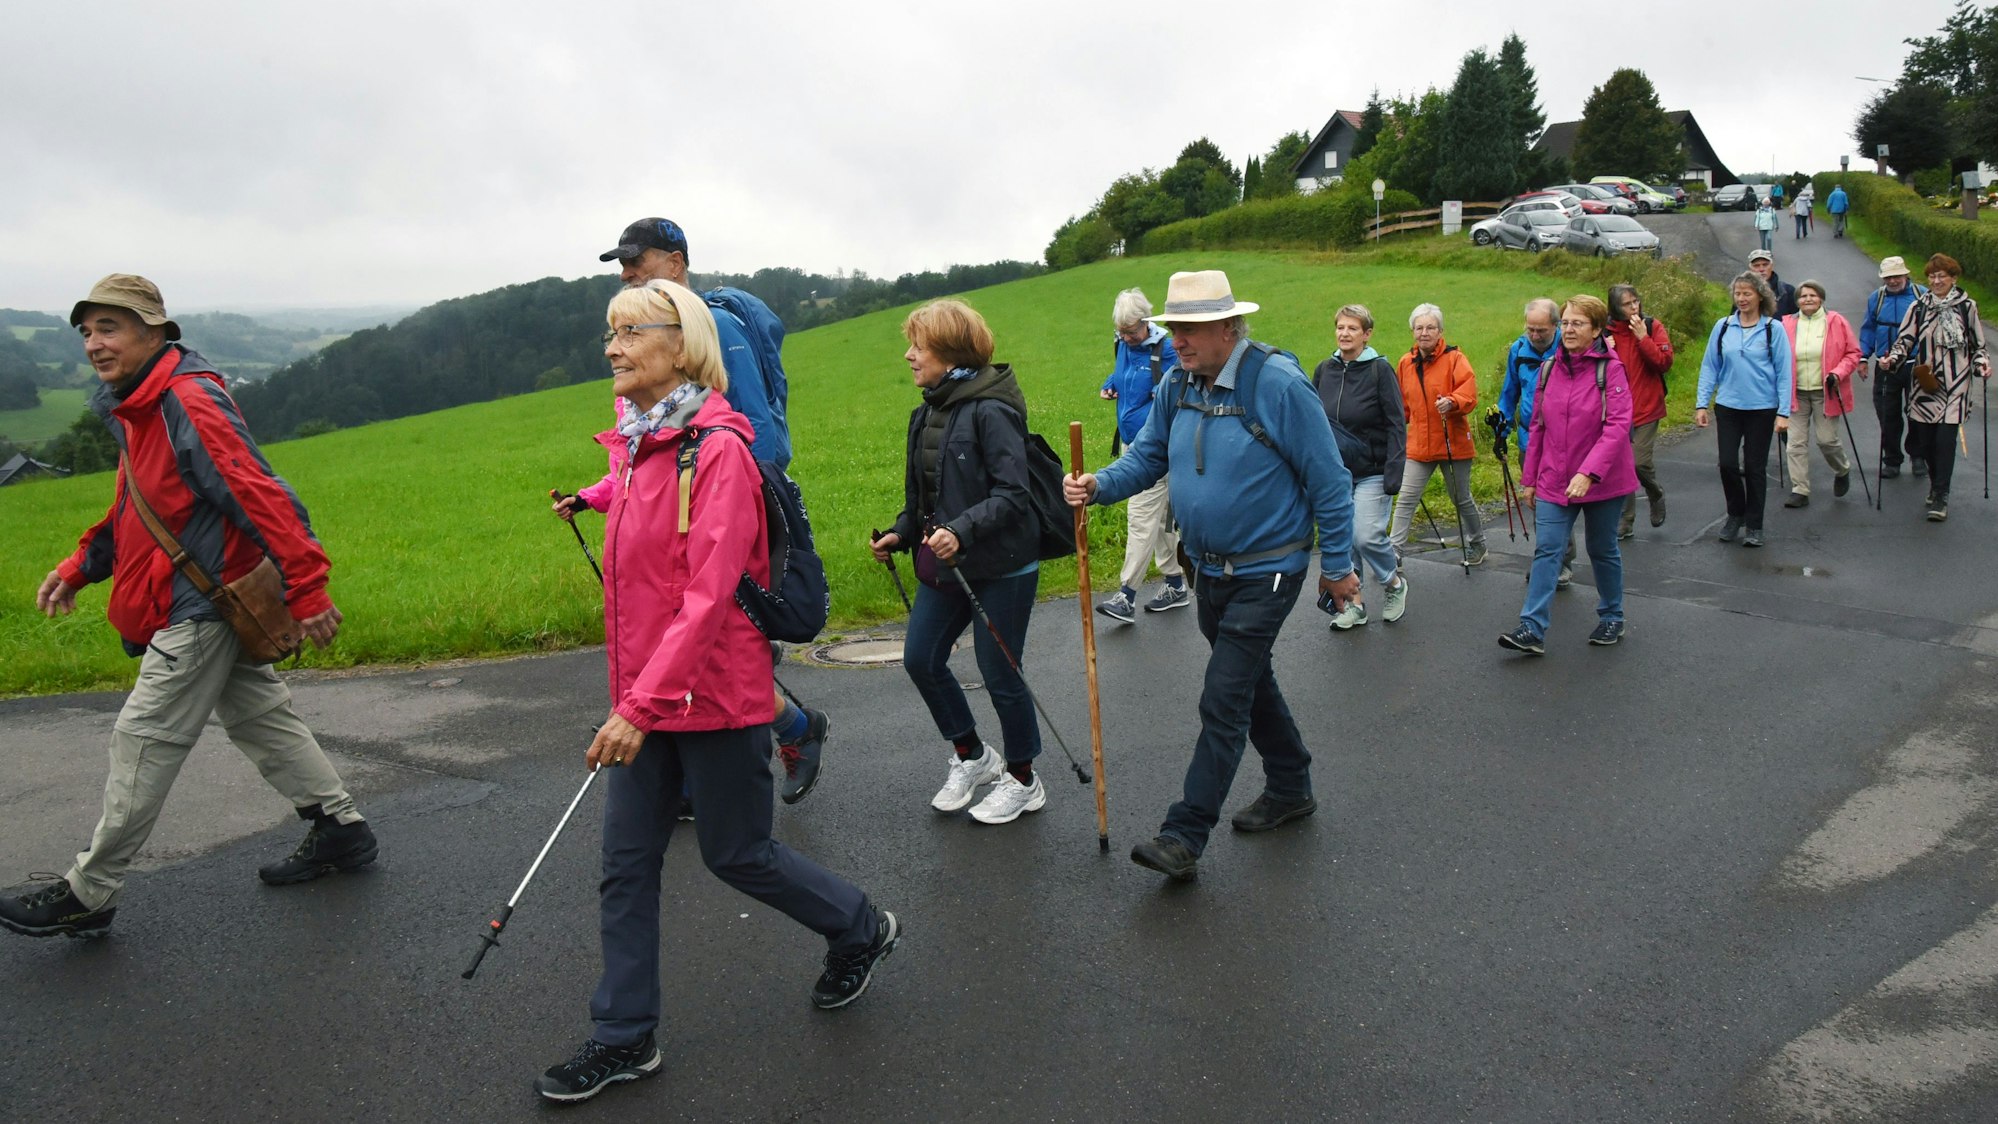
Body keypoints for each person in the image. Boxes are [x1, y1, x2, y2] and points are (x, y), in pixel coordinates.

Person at [538, 279, 897, 1104]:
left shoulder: (719, 452)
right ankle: (623, 1036)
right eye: (610, 333)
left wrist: (636, 706)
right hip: (647, 695)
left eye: (630, 331)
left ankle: (859, 926)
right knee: (624, 866)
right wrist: (589, 502)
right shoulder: (634, 443)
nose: (613, 347)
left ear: (682, 343)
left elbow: (706, 600)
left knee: (737, 855)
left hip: (714, 694)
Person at [4, 274, 377, 941]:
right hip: (203, 598)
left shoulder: (187, 401)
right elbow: (136, 509)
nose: (94, 343)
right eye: (87, 331)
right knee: (262, 718)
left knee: (142, 740)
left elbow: (260, 493)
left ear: (155, 331)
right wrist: (81, 566)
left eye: (110, 327)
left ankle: (89, 891)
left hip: (204, 603)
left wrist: (308, 587)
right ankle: (339, 829)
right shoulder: (141, 407)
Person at [1064, 270, 1357, 882]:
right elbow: (1146, 457)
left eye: (1191, 329)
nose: (1178, 340)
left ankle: (1184, 833)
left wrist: (1337, 567)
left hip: (1269, 570)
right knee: (1250, 681)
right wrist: (1098, 487)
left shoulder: (1275, 383)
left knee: (1222, 698)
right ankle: (1291, 783)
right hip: (1207, 572)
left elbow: (1328, 478)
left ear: (1229, 326)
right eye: (1174, 328)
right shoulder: (1177, 384)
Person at [559, 217, 827, 807]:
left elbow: (747, 432)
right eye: (622, 266)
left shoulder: (709, 330)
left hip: (727, 516)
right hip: (689, 512)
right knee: (694, 641)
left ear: (676, 262)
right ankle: (709, 766)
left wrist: (719, 507)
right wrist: (596, 497)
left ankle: (773, 747)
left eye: (639, 260)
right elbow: (645, 456)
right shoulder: (645, 358)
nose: (628, 272)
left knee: (721, 642)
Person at [870, 300, 1048, 825]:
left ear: (949, 353)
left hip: (1002, 565)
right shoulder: (926, 411)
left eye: (918, 346)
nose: (908, 355)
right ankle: (973, 755)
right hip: (946, 564)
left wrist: (959, 529)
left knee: (1000, 674)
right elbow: (924, 498)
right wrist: (902, 533)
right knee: (921, 659)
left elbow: (1015, 494)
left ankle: (1022, 778)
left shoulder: (992, 410)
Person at [1498, 295, 1636, 655]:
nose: (1569, 330)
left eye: (1578, 323)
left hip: (1604, 480)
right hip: (1555, 478)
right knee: (1547, 550)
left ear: (1596, 330)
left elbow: (1618, 426)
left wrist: (1589, 473)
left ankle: (1612, 616)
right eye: (1565, 323)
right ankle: (1531, 627)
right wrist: (1530, 478)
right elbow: (1538, 425)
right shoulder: (1549, 368)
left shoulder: (1611, 369)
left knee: (1601, 548)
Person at [1312, 303, 1408, 629]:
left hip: (1374, 470)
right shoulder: (1325, 370)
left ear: (1366, 335)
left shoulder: (1379, 371)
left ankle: (1394, 583)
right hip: (1337, 473)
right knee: (1344, 539)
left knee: (1365, 535)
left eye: (1352, 328)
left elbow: (1397, 423)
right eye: (1340, 327)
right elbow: (1312, 420)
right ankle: (1355, 604)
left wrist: (1395, 470)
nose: (1344, 333)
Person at [1094, 287, 1187, 622]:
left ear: (1146, 323)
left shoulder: (1167, 350)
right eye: (1121, 331)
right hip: (1130, 444)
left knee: (1140, 515)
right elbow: (1124, 374)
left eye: (1132, 331)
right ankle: (1176, 584)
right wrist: (1112, 383)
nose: (1127, 337)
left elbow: (1169, 396)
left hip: (1155, 450)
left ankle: (1126, 594)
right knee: (1160, 521)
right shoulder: (1122, 344)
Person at [1879, 254, 1992, 522]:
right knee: (1926, 443)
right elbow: (1904, 340)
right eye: (1932, 276)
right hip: (1925, 385)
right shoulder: (1919, 307)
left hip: (1957, 385)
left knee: (1945, 442)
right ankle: (1934, 483)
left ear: (1954, 278)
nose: (1936, 280)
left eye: (1942, 276)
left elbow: (1978, 347)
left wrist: (1982, 365)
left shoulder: (1967, 307)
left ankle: (1941, 496)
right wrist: (1891, 360)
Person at [1696, 272, 1794, 548]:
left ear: (1760, 296)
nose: (1741, 298)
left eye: (1747, 293)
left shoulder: (1772, 329)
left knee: (1754, 467)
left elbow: (1784, 372)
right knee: (1727, 463)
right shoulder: (1723, 327)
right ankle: (1735, 513)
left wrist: (1783, 412)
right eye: (1738, 293)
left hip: (1762, 408)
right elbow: (1709, 366)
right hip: (1728, 406)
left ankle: (1754, 524)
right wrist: (1702, 403)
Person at [1389, 304, 1486, 566]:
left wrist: (1452, 402)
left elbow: (1469, 394)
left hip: (1452, 441)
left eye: (1430, 327)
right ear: (1412, 331)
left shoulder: (1455, 359)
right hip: (1419, 445)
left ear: (1440, 331)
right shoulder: (1405, 362)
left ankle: (1477, 542)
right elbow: (1402, 406)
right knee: (1406, 497)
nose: (1424, 332)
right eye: (1419, 327)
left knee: (1460, 498)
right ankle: (1393, 552)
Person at [1496, 298, 1575, 584]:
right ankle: (1552, 560)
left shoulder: (1570, 349)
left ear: (1556, 325)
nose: (1535, 335)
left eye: (1541, 330)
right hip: (1530, 440)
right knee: (1539, 503)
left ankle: (1559, 562)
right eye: (1530, 329)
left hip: (1564, 441)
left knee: (1558, 503)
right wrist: (1500, 433)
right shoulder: (1518, 350)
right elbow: (1508, 394)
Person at [1780, 281, 1861, 507]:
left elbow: (1853, 353)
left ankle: (1842, 469)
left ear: (1821, 298)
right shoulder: (1786, 324)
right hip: (1795, 393)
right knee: (1795, 444)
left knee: (1827, 441)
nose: (1807, 299)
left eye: (1813, 295)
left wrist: (1838, 372)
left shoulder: (1835, 321)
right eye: (1803, 296)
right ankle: (1800, 489)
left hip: (1826, 392)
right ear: (1797, 301)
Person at [1605, 285, 1674, 537]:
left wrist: (1643, 338)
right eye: (1627, 304)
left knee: (1638, 463)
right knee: (1620, 466)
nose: (1634, 307)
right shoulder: (1604, 333)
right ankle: (1626, 521)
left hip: (1646, 407)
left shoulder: (1652, 326)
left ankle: (1655, 492)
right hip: (1615, 410)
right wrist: (1604, 348)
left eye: (1636, 301)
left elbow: (1664, 363)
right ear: (1615, 308)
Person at [1860, 256, 1928, 478]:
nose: (1893, 281)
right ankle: (1891, 459)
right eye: (1888, 277)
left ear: (1906, 275)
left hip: (1917, 365)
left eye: (1897, 276)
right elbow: (1868, 329)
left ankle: (1918, 456)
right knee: (1887, 414)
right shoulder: (1876, 298)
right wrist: (1863, 357)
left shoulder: (1922, 295)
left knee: (1918, 413)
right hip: (1886, 364)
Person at [1748, 250, 1799, 318]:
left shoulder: (1787, 291)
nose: (1761, 269)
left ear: (1771, 266)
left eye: (1765, 265)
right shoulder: (1743, 293)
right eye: (1756, 266)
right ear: (1750, 269)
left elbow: (1798, 319)